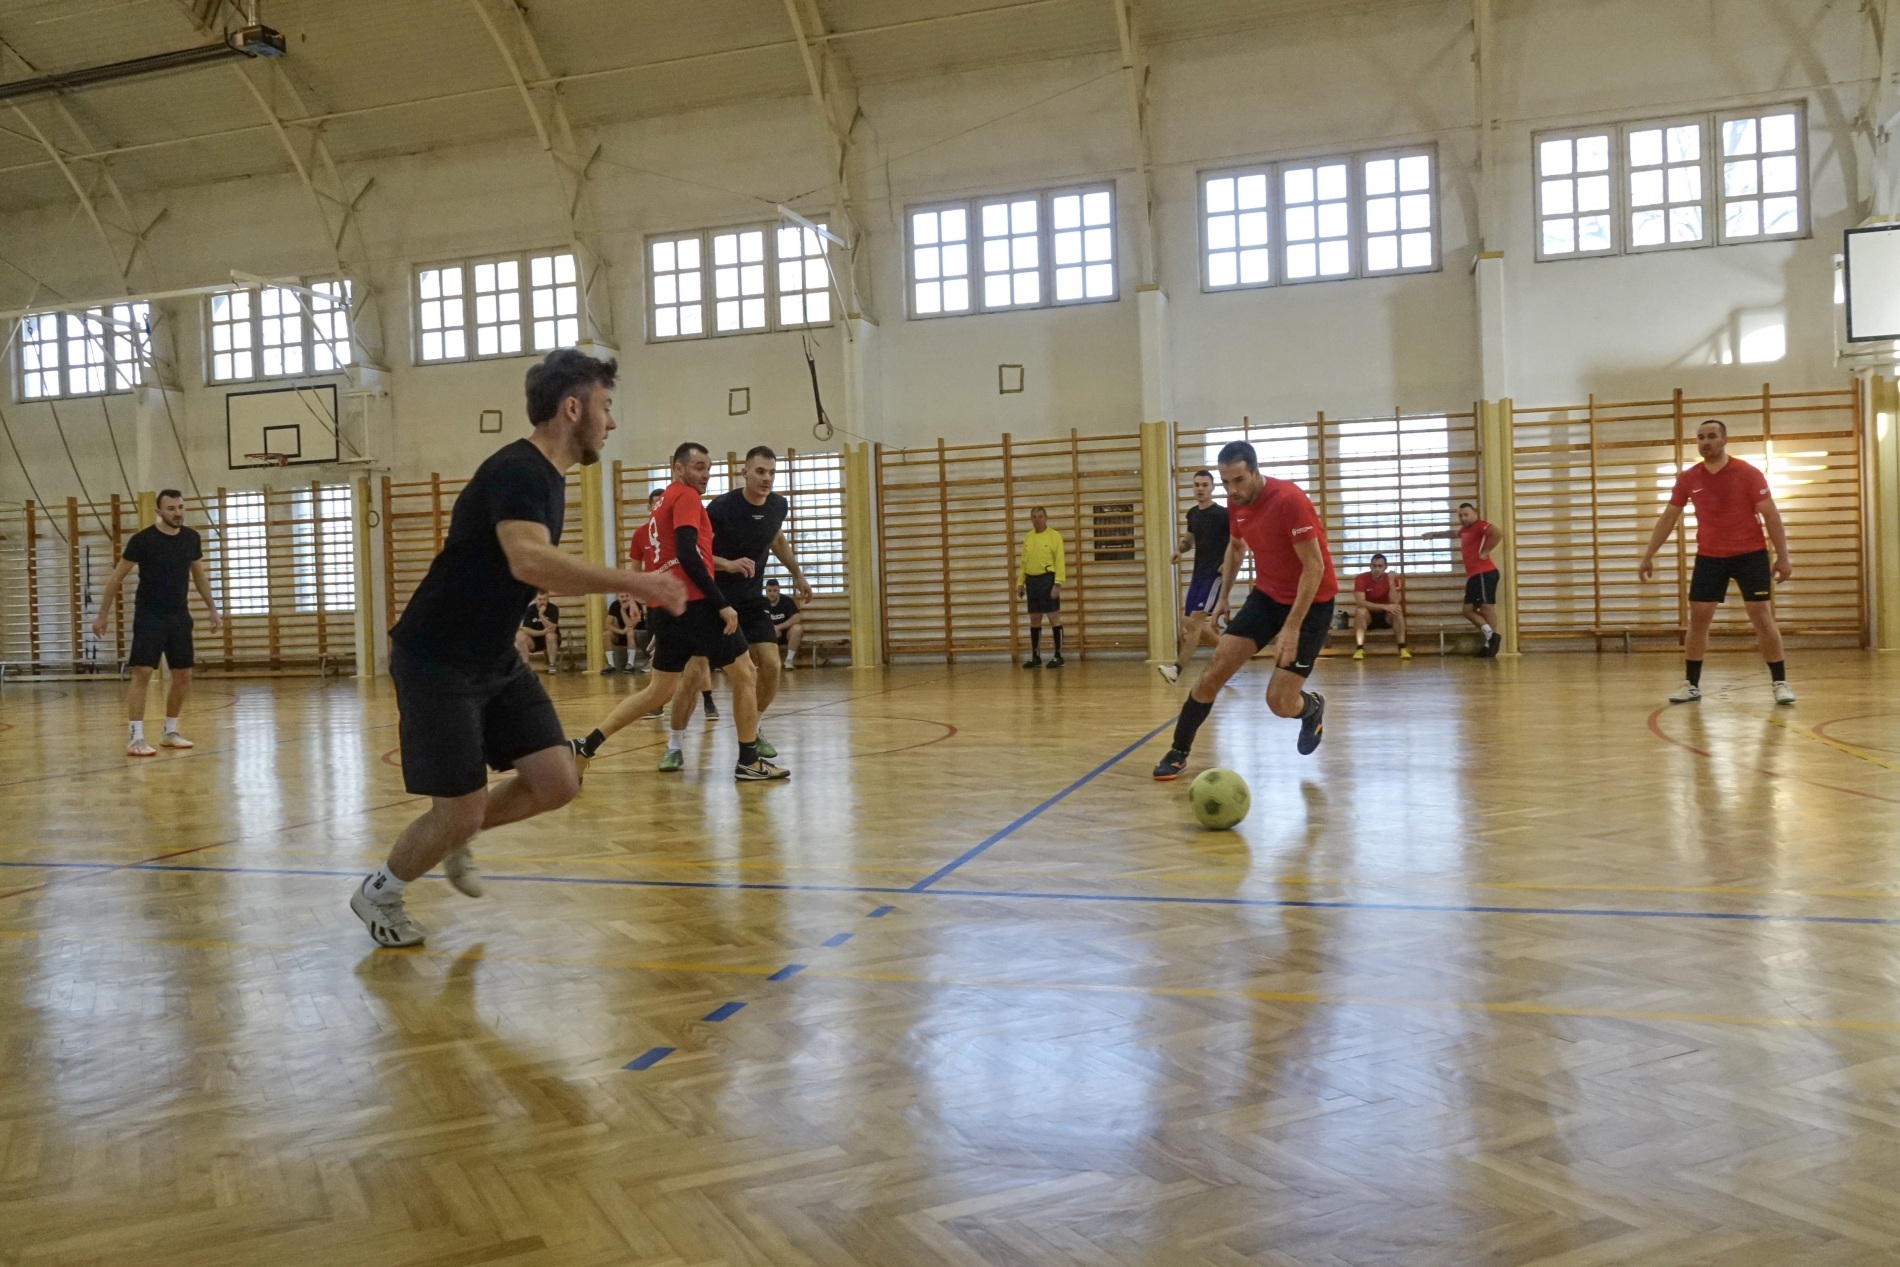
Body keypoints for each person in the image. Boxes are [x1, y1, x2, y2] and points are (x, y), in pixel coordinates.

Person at [349, 349, 685, 948]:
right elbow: (530, 561)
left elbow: (502, 566)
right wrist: (637, 582)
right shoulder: (518, 470)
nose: (612, 422)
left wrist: (510, 627)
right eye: (605, 407)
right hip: (437, 658)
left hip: (492, 656)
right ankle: (380, 891)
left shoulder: (547, 478)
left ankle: (456, 833)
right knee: (458, 809)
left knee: (558, 782)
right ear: (573, 409)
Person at [569, 442, 787, 781]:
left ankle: (586, 744)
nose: (705, 474)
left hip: (667, 609)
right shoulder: (686, 497)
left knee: (657, 691)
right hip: (696, 604)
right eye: (698, 467)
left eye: (708, 468)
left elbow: (665, 558)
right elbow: (688, 554)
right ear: (678, 467)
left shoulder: (661, 504)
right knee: (746, 674)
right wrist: (721, 603)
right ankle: (748, 761)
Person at [1152, 440, 1334, 781]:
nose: (1232, 490)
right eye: (1225, 482)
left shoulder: (1289, 501)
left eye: (1239, 480)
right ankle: (1178, 751)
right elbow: (1236, 548)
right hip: (1267, 597)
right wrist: (1223, 597)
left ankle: (1311, 707)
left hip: (1312, 602)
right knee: (1214, 671)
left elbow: (1314, 567)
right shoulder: (1237, 504)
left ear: (1255, 471)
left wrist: (1292, 626)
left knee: (1279, 702)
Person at [660, 446, 814, 769]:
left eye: (772, 473)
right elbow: (695, 552)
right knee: (693, 675)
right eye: (760, 471)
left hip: (751, 599)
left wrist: (797, 574)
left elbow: (776, 539)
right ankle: (674, 744)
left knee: (771, 666)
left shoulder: (778, 506)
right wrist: (727, 564)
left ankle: (752, 729)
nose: (767, 478)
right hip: (713, 599)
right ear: (744, 472)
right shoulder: (721, 507)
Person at [1639, 418, 1795, 705]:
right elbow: (1668, 517)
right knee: (1698, 617)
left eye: (1711, 436)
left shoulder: (1747, 473)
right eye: (1700, 437)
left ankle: (1780, 683)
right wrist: (1648, 555)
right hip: (1710, 556)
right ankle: (1691, 684)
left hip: (1750, 554)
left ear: (1724, 440)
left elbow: (1771, 515)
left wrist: (1783, 557)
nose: (1705, 442)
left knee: (1760, 615)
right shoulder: (1689, 478)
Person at [91, 489, 223, 756]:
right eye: (171, 508)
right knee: (142, 672)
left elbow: (199, 576)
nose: (178, 513)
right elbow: (116, 578)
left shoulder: (191, 538)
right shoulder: (143, 540)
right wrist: (102, 614)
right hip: (149, 615)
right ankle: (135, 737)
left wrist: (212, 608)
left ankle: (170, 732)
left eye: (181, 507)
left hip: (179, 615)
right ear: (159, 511)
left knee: (183, 674)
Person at [1159, 469, 1229, 684]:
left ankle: (1176, 670)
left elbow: (1238, 541)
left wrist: (1227, 563)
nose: (1200, 488)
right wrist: (1179, 550)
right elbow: (1189, 539)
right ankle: (1229, 655)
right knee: (1189, 622)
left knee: (1197, 621)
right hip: (1198, 574)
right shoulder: (1193, 514)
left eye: (1204, 485)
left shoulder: (1223, 514)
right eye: (1197, 485)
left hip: (1214, 575)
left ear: (1212, 487)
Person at [1423, 502, 1503, 656]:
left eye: (1466, 514)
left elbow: (1497, 533)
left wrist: (1485, 551)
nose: (1463, 518)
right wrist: (1434, 534)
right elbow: (1453, 533)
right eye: (1460, 515)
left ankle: (1489, 644)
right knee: (1467, 611)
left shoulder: (1479, 525)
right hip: (1474, 575)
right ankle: (1491, 637)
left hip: (1484, 572)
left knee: (1486, 607)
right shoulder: (1465, 530)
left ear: (1474, 514)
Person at [1018, 506, 1066, 668]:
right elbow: (1024, 562)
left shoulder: (1054, 536)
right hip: (1032, 581)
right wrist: (1021, 583)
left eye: (1040, 516)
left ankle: (1058, 655)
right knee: (1034, 619)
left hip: (1048, 579)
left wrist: (1057, 583)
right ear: (1031, 519)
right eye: (1034, 517)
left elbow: (1060, 560)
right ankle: (1035, 656)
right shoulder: (1028, 537)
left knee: (1053, 617)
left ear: (1046, 518)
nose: (1037, 520)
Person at [1350, 553, 1410, 660]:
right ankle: (1359, 648)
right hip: (1369, 617)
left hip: (1387, 617)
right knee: (1360, 611)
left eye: (1380, 566)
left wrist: (1391, 582)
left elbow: (1395, 601)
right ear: (1370, 566)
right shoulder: (1361, 578)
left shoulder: (1392, 579)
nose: (1377, 569)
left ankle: (1402, 647)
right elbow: (1360, 602)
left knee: (1397, 609)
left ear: (1385, 567)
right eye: (1374, 566)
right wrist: (1384, 606)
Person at [515, 590, 561, 671]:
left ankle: (552, 665)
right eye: (540, 599)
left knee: (550, 635)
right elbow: (526, 629)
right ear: (535, 599)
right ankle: (525, 666)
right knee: (520, 635)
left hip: (551, 640)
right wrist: (542, 632)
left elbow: (552, 628)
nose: (542, 602)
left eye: (544, 599)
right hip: (534, 640)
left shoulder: (553, 608)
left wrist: (541, 615)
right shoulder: (530, 609)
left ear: (548, 599)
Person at [765, 579, 803, 668]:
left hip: (786, 633)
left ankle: (789, 660)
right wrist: (771, 630)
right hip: (769, 634)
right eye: (769, 591)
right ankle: (763, 662)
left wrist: (779, 627)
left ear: (779, 590)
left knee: (798, 629)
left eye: (775, 590)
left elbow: (797, 618)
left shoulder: (787, 601)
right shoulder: (762, 603)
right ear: (766, 591)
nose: (772, 593)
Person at [603, 592, 633, 674]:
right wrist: (621, 631)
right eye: (622, 596)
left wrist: (623, 611)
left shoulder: (635, 605)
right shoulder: (614, 605)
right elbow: (607, 624)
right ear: (617, 597)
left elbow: (630, 626)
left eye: (626, 596)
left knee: (630, 633)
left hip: (635, 634)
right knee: (606, 634)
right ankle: (610, 664)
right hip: (622, 633)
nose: (624, 599)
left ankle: (630, 664)